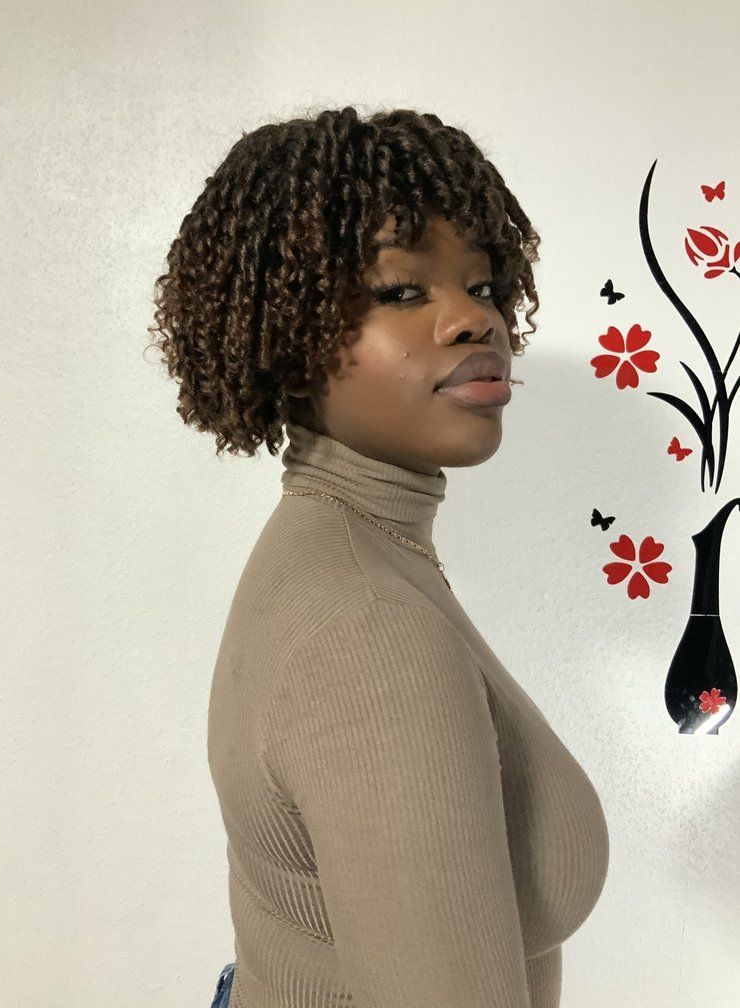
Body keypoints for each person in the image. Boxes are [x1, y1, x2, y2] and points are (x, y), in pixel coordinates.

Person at [148, 105, 609, 1008]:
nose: (473, 320)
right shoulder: (370, 628)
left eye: (482, 285)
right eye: (402, 291)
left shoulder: (350, 547)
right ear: (286, 334)